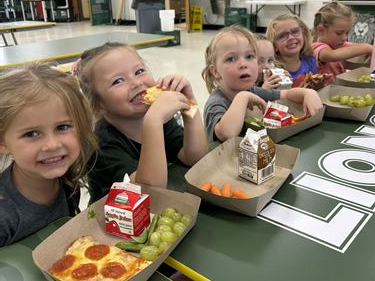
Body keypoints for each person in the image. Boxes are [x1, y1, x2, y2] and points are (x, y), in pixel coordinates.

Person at [76, 42, 208, 203]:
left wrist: (189, 104)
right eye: (118, 81)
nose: (136, 83)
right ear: (98, 105)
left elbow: (194, 157)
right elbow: (148, 192)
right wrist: (153, 122)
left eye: (139, 71)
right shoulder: (101, 146)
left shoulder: (158, 118)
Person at [0, 63, 97, 247]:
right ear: (2, 143)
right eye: (31, 134)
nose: (52, 145)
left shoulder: (68, 180)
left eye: (62, 127)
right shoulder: (4, 214)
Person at [202, 25, 323, 143]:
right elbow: (227, 134)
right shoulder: (217, 102)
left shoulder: (252, 90)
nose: (243, 64)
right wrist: (242, 97)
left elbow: (286, 94)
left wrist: (307, 92)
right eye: (231, 59)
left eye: (249, 56)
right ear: (216, 71)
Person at [312, 1, 372, 81]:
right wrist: (367, 48)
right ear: (321, 30)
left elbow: (355, 49)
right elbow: (332, 56)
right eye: (339, 33)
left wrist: (368, 55)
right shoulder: (317, 47)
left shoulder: (339, 44)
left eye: (347, 32)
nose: (344, 37)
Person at [266, 14, 318, 82]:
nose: (291, 37)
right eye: (282, 36)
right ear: (274, 46)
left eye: (295, 31)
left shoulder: (310, 61)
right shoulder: (272, 70)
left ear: (304, 34)